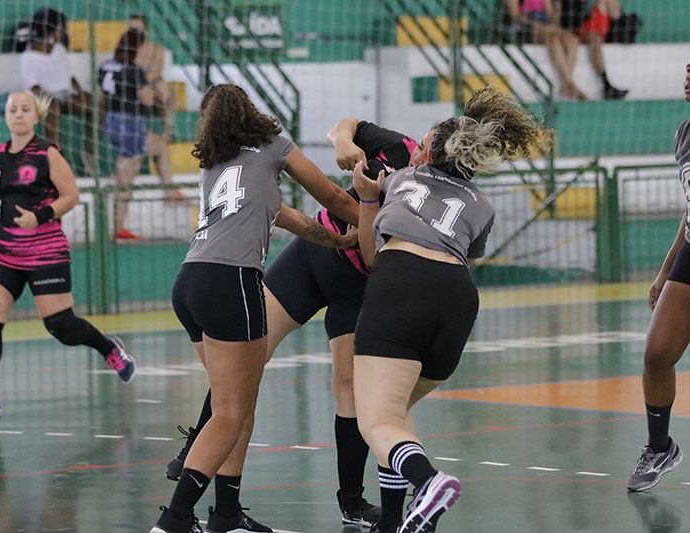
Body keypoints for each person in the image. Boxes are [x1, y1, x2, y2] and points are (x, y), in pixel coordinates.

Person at [164, 117, 435, 528]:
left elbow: (378, 245)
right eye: (423, 142)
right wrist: (343, 142)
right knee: (246, 359)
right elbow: (346, 126)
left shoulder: (431, 200)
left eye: (428, 150)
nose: (418, 151)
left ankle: (352, 501)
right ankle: (197, 448)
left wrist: (366, 207)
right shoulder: (399, 146)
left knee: (348, 388)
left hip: (359, 284)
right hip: (312, 257)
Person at [149, 83, 360, 533]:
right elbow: (334, 198)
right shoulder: (273, 144)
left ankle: (226, 512)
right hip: (232, 282)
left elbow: (285, 216)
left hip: (189, 283)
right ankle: (176, 517)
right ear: (250, 111)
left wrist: (336, 240)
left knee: (238, 402)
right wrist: (378, 223)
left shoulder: (213, 164)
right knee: (230, 410)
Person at [351, 86, 545, 533]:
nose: (415, 150)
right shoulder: (483, 205)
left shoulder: (402, 179)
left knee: (376, 420)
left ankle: (429, 482)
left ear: (431, 154)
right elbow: (463, 253)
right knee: (395, 413)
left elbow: (371, 255)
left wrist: (366, 198)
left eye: (421, 144)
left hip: (401, 284)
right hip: (458, 300)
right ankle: (394, 521)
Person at [0, 91, 135, 416]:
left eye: (25, 109)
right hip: (4, 250)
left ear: (36, 116)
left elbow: (71, 195)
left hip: (46, 251)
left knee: (61, 326)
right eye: (13, 110)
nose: (19, 114)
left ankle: (109, 348)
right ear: (5, 116)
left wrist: (39, 216)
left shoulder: (47, 153)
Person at [625, 46, 690, 493]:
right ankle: (660, 447)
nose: (689, 76)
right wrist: (666, 269)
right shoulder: (685, 134)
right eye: (689, 68)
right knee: (656, 354)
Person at [99, 29, 175, 241]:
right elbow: (147, 100)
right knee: (126, 177)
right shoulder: (134, 70)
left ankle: (170, 191)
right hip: (130, 124)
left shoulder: (105, 66)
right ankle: (118, 227)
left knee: (159, 146)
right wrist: (153, 90)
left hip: (111, 122)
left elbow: (101, 97)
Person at [19, 8, 98, 170]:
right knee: (51, 108)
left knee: (96, 105)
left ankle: (90, 152)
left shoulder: (59, 50)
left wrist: (81, 91)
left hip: (66, 95)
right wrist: (49, 96)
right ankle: (55, 157)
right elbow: (33, 87)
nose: (64, 33)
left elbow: (69, 77)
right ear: (51, 31)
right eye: (61, 29)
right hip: (45, 97)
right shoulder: (29, 57)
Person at [505, 0, 587, 100]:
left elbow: (550, 14)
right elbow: (516, 16)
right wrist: (539, 25)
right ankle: (570, 84)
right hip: (527, 28)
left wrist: (552, 23)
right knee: (553, 39)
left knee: (572, 40)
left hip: (546, 27)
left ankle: (566, 84)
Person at [560, 0, 628, 99]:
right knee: (594, 39)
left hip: (603, 29)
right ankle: (605, 83)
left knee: (595, 38)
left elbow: (616, 15)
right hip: (587, 30)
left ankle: (606, 84)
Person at [128, 14, 177, 142]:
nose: (135, 33)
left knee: (163, 90)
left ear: (146, 31)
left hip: (151, 85)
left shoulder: (156, 49)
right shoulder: (125, 50)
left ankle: (168, 132)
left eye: (138, 29)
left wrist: (143, 81)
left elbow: (157, 72)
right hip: (132, 86)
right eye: (132, 29)